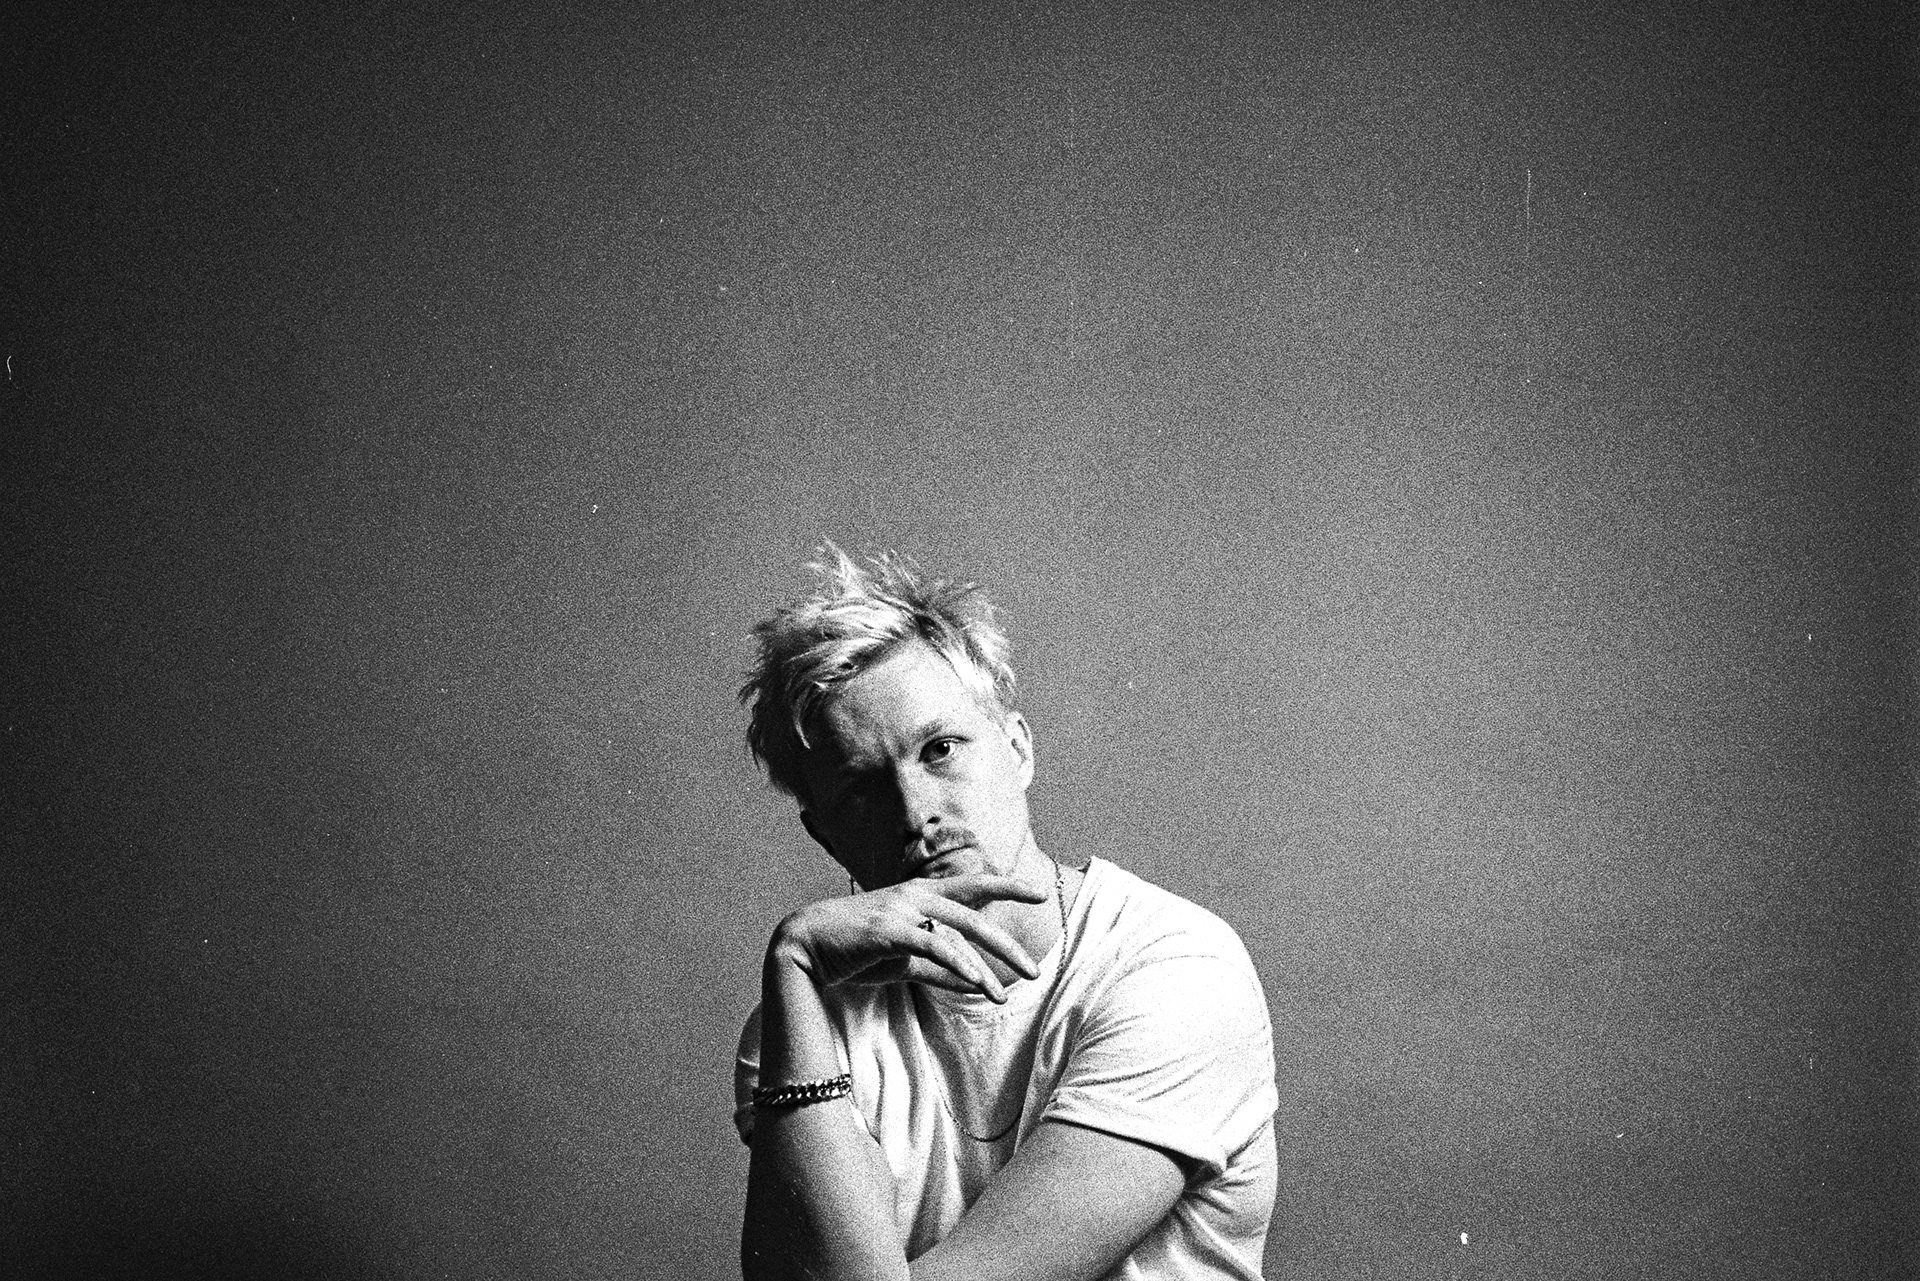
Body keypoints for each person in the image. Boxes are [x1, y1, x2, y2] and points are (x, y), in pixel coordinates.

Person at [734, 545, 1277, 1281]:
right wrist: (794, 961)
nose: (916, 813)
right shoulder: (803, 1026)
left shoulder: (1177, 970)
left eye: (940, 749)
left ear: (1018, 749)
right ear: (825, 834)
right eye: (861, 787)